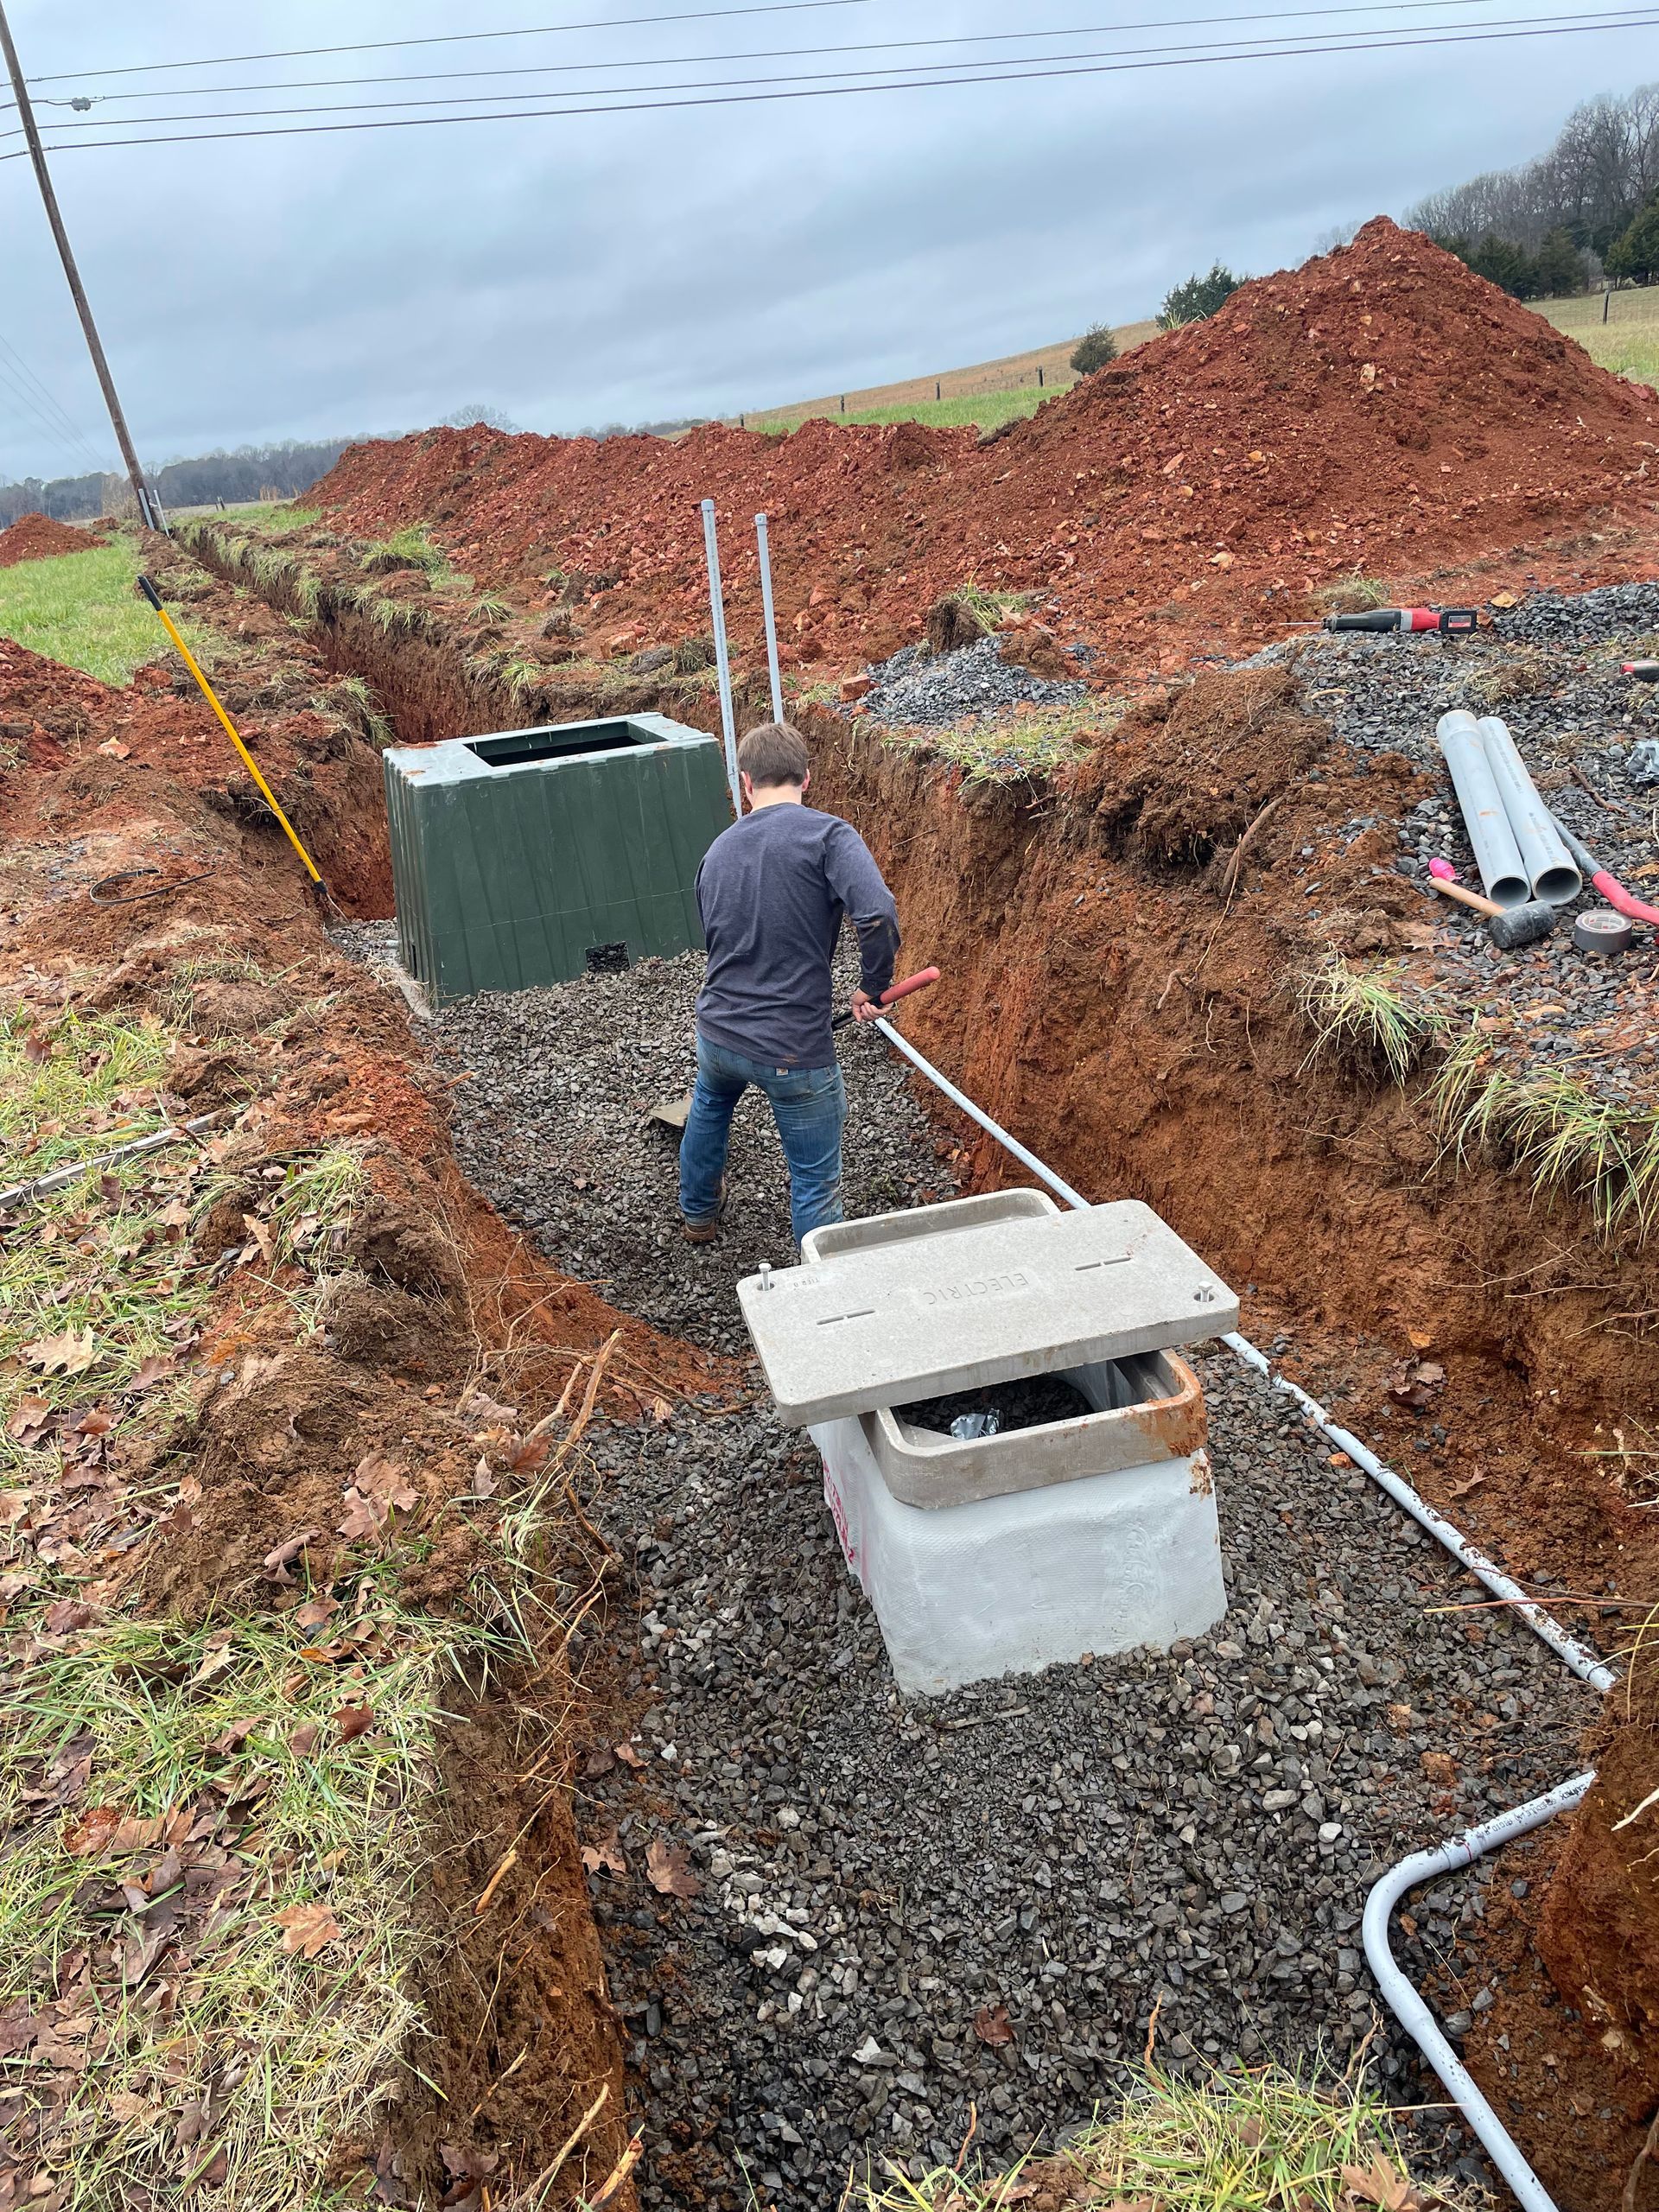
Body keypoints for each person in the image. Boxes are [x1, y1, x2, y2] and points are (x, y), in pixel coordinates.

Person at [679, 720, 900, 1246]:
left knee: (709, 1105)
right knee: (814, 1178)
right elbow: (876, 913)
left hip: (718, 1034)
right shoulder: (829, 836)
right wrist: (874, 985)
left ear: (745, 782)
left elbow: (717, 937)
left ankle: (698, 1216)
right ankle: (819, 1285)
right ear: (806, 777)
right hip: (793, 1050)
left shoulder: (717, 851)